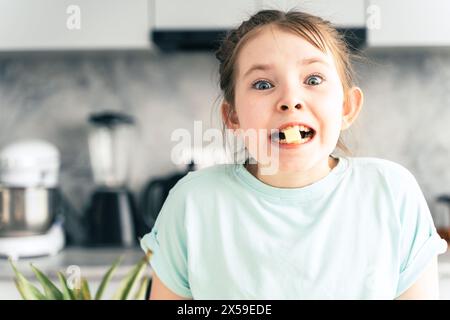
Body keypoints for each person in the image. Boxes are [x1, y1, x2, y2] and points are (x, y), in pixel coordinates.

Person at [140, 9, 447, 299]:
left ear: (346, 107)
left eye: (313, 79)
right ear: (232, 117)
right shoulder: (192, 204)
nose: (290, 100)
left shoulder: (393, 194)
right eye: (263, 84)